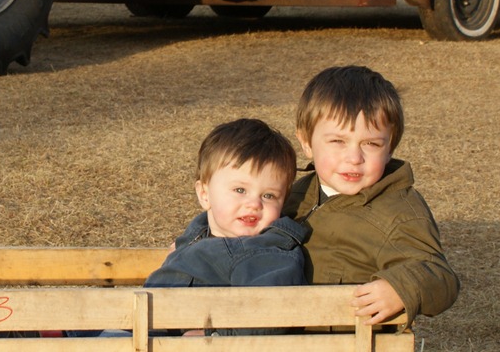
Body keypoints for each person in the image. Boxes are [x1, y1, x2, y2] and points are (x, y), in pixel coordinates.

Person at [284, 65, 459, 329]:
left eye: (371, 144)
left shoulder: (398, 211)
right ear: (306, 142)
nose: (354, 158)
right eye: (338, 142)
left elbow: (441, 278)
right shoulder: (293, 195)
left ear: (390, 148)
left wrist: (401, 287)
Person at [144, 117, 309, 335]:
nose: (254, 204)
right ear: (204, 195)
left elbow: (270, 313)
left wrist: (215, 336)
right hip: (146, 328)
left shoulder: (268, 252)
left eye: (269, 195)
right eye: (240, 190)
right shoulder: (200, 231)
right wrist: (184, 251)